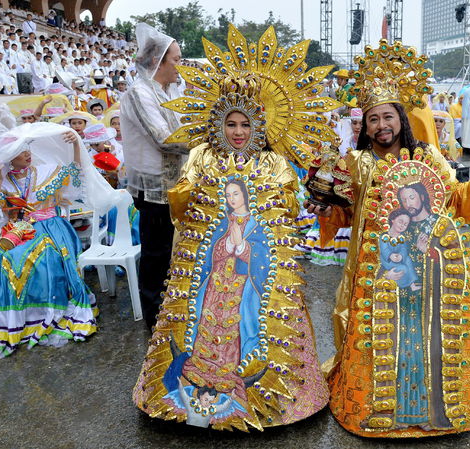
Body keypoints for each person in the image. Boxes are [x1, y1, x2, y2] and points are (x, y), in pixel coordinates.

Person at [311, 39, 470, 438]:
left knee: (432, 338)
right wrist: (326, 210)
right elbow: (346, 212)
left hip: (430, 271)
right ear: (364, 126)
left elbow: (455, 200)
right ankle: (383, 409)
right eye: (373, 119)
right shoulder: (356, 162)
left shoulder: (428, 156)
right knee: (382, 339)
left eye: (388, 116)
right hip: (377, 273)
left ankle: (437, 407)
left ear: (401, 119)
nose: (381, 126)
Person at [133, 27, 332, 431]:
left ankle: (262, 396)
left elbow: (288, 210)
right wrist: (201, 193)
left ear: (259, 125)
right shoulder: (202, 156)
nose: (238, 132)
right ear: (219, 124)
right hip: (209, 266)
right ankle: (195, 392)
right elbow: (183, 208)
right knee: (204, 320)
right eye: (231, 124)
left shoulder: (274, 162)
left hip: (255, 269)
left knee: (252, 323)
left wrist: (267, 209)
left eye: (245, 124)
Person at [0, 121, 117, 356]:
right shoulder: (4, 181)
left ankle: (38, 313)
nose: (27, 154)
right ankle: (14, 319)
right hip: (17, 230)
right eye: (20, 152)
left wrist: (76, 145)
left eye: (27, 149)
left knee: (39, 258)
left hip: (51, 228)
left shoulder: (46, 171)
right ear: (9, 158)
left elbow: (77, 175)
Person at [120, 23, 187, 329]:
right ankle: (155, 317)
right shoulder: (139, 92)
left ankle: (174, 308)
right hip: (154, 188)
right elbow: (164, 138)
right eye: (176, 59)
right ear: (159, 62)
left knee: (175, 249)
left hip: (176, 184)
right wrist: (210, 139)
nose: (180, 65)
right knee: (157, 253)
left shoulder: (169, 90)